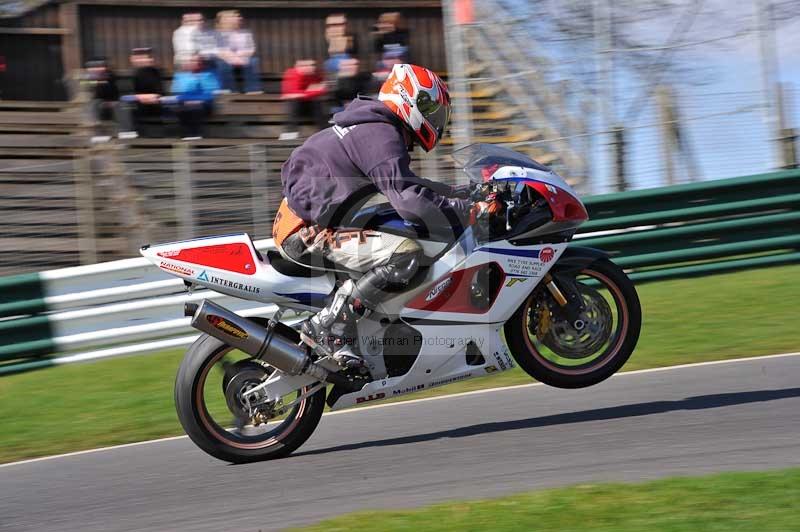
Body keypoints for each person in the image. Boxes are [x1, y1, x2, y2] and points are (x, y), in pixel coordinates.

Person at [273, 64, 501, 367]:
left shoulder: (376, 128)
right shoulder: (380, 134)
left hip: (311, 221)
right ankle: (332, 329)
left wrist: (461, 194)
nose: (436, 117)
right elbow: (410, 200)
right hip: (308, 231)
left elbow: (408, 185)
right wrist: (470, 212)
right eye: (430, 106)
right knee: (405, 256)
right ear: (407, 99)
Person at [117, 47, 164, 139]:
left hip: (154, 104)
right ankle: (128, 131)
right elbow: (126, 94)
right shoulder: (131, 74)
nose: (143, 60)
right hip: (137, 105)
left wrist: (151, 97)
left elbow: (159, 92)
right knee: (123, 105)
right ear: (133, 59)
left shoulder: (156, 73)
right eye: (139, 57)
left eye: (145, 57)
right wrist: (140, 97)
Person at [170, 54, 219, 139]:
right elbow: (178, 93)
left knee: (195, 107)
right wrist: (186, 100)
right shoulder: (181, 76)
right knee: (181, 108)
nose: (192, 63)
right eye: (191, 61)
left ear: (201, 63)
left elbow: (211, 93)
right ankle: (186, 135)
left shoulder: (208, 76)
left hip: (204, 104)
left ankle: (195, 134)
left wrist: (199, 100)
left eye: (195, 61)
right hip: (185, 103)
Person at [279, 59, 327, 140]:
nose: (309, 67)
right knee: (293, 102)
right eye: (303, 66)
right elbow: (290, 93)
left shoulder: (317, 74)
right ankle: (290, 133)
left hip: (311, 107)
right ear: (297, 67)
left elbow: (323, 89)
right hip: (296, 108)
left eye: (311, 65)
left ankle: (324, 132)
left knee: (316, 102)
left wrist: (303, 93)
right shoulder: (292, 73)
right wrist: (311, 90)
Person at [215, 10, 261, 94]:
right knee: (222, 63)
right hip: (224, 58)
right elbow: (219, 50)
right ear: (225, 20)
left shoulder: (245, 33)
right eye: (235, 16)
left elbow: (251, 48)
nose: (239, 18)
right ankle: (229, 89)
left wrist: (241, 56)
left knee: (253, 61)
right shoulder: (217, 34)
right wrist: (232, 58)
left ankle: (253, 89)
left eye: (239, 16)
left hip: (241, 58)